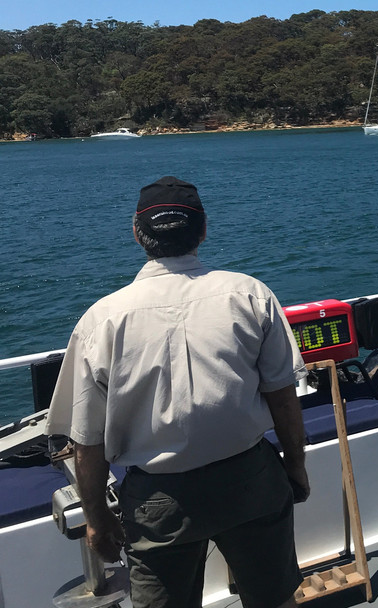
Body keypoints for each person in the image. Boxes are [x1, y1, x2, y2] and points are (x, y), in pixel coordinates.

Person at [46, 176, 309, 608]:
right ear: (203, 229)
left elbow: (86, 440)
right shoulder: (250, 295)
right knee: (275, 599)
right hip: (251, 479)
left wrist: (96, 517)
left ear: (137, 232)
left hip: (156, 499)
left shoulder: (101, 320)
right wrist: (295, 468)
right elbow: (283, 397)